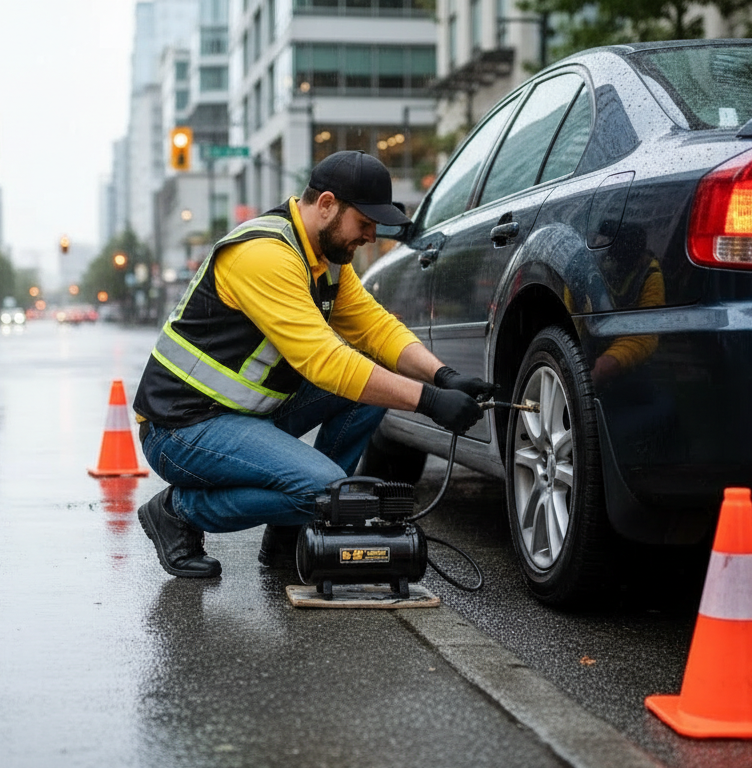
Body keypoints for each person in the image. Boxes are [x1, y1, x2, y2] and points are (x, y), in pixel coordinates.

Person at [132, 150, 497, 579]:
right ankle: (178, 511)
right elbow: (324, 361)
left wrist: (443, 375)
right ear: (326, 205)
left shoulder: (324, 261)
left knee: (371, 384)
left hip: (244, 416)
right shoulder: (265, 256)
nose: (371, 237)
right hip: (181, 429)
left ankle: (295, 528)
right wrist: (430, 401)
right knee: (326, 491)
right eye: (364, 223)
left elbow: (375, 329)